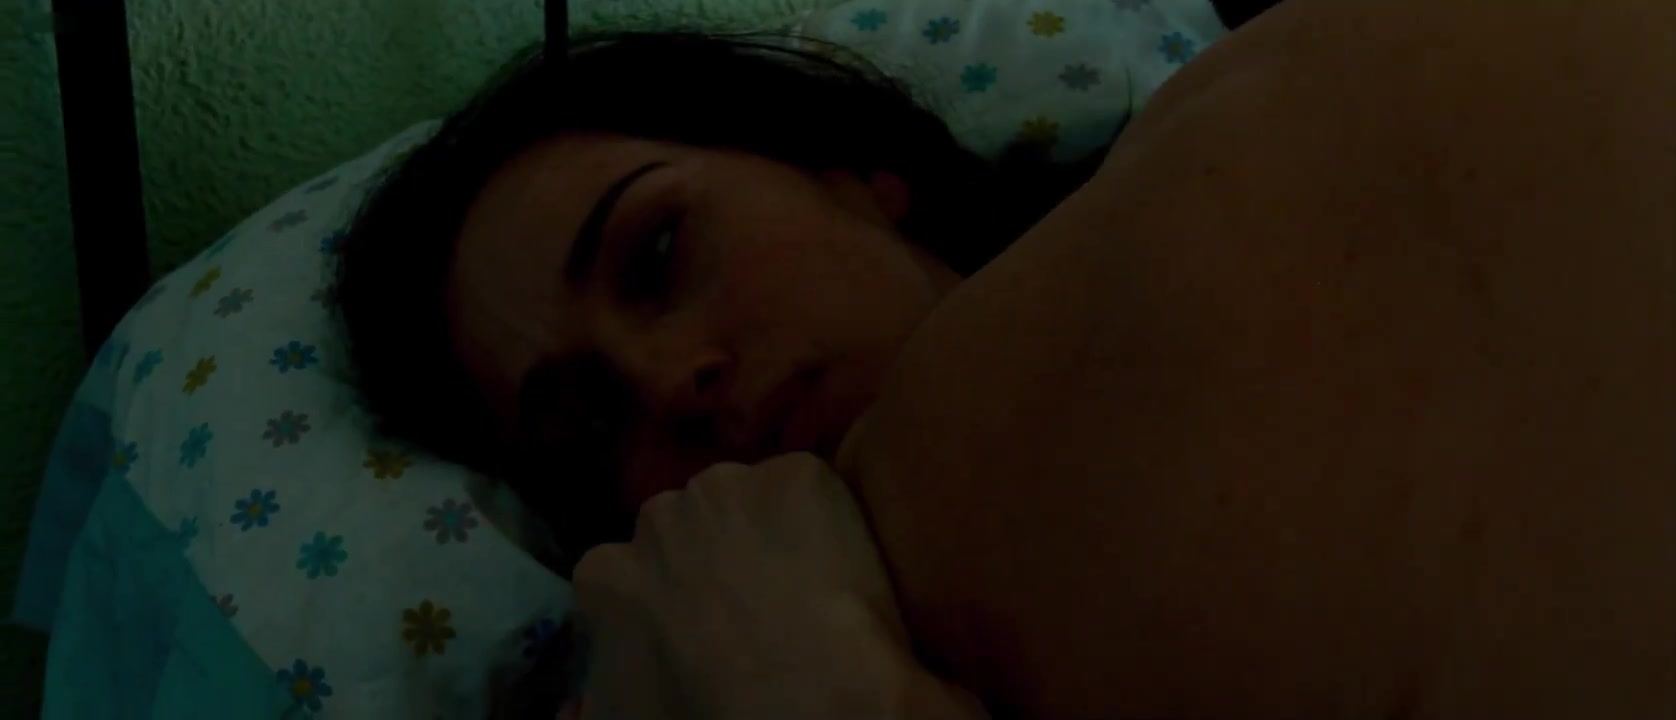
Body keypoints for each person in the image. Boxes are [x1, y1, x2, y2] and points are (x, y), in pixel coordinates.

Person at [340, 0, 1675, 717]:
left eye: (658, 252)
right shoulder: (681, 657)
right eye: (585, 424)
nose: (669, 377)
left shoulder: (1251, 139)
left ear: (852, 171)